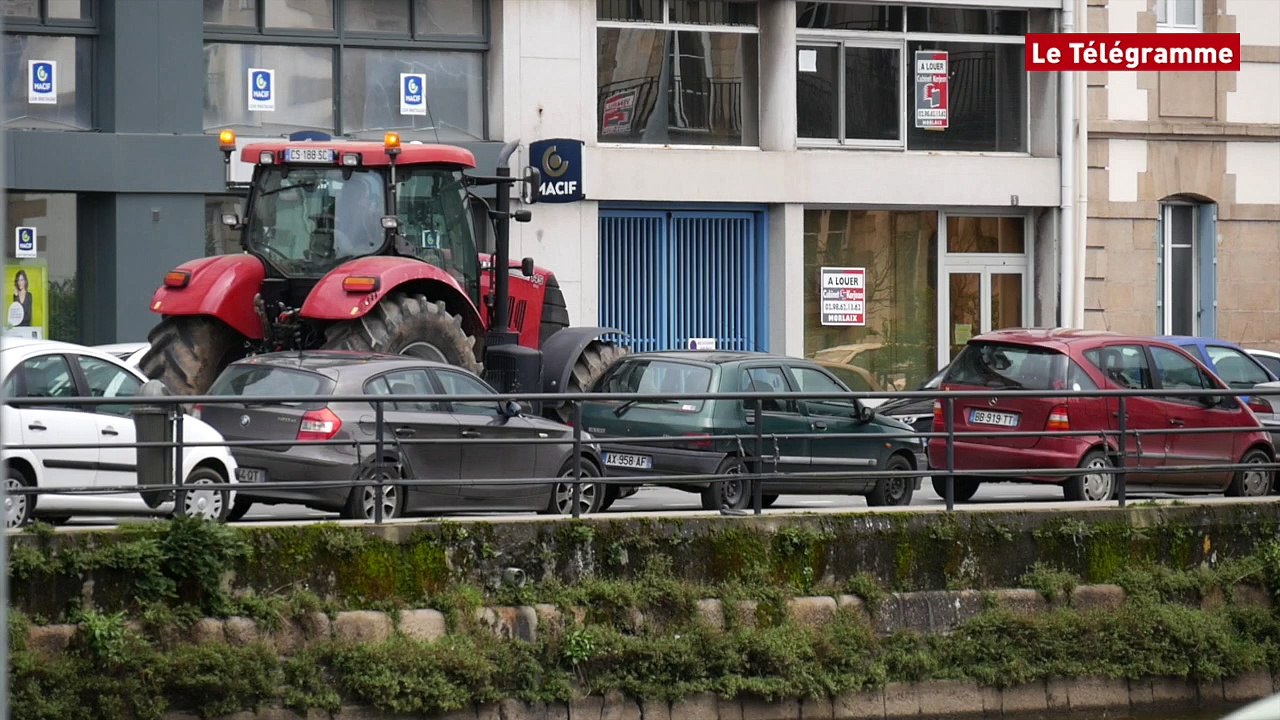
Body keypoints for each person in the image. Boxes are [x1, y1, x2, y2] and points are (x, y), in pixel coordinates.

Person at [333, 173, 385, 258]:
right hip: (336, 251)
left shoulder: (369, 214)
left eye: (363, 195)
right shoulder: (333, 210)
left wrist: (366, 215)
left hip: (363, 254)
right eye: (354, 194)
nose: (363, 199)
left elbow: (375, 238)